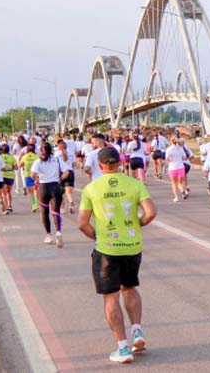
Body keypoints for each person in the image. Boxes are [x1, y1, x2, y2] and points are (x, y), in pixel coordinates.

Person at [78, 146, 157, 364]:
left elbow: (82, 224)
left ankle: (123, 348)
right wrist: (137, 226)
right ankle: (137, 331)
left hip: (107, 248)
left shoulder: (91, 189)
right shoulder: (135, 183)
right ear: (120, 163)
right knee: (129, 288)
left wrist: (98, 236)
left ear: (101, 165)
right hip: (132, 245)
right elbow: (151, 212)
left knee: (111, 297)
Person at [31, 141, 71, 247]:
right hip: (55, 187)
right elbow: (67, 172)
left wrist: (37, 180)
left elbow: (33, 174)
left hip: (43, 188)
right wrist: (59, 179)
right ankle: (58, 232)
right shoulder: (57, 159)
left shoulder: (38, 161)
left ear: (41, 151)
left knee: (44, 212)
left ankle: (48, 235)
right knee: (56, 212)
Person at [56, 139, 76, 213]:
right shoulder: (71, 153)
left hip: (61, 172)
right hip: (70, 172)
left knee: (60, 192)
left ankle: (62, 208)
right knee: (69, 192)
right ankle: (71, 203)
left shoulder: (56, 154)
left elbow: (56, 164)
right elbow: (74, 164)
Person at [165, 136, 187, 202]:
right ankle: (182, 191)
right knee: (180, 182)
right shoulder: (180, 148)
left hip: (172, 168)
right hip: (180, 167)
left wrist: (171, 160)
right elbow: (184, 157)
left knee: (174, 183)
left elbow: (167, 159)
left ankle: (176, 197)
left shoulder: (169, 149)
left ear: (171, 141)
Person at [19, 145, 40, 212]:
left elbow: (20, 165)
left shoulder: (25, 156)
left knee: (31, 192)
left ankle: (34, 205)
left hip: (28, 175)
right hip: (37, 175)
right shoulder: (37, 156)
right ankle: (36, 204)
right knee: (36, 190)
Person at [0, 144, 17, 214]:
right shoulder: (12, 157)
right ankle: (9, 205)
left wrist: (4, 169)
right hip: (11, 176)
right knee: (8, 192)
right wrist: (9, 168)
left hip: (2, 176)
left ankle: (6, 207)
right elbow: (16, 167)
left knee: (4, 192)